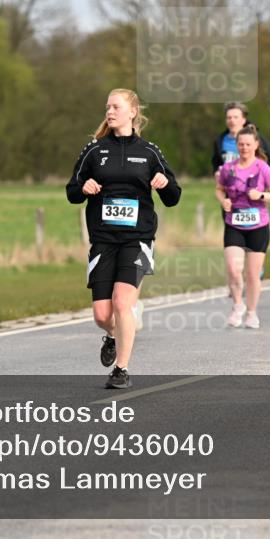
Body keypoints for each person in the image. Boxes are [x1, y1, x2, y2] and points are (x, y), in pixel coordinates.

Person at [66, 88, 182, 389]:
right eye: (107, 107)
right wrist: (85, 187)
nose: (110, 112)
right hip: (103, 239)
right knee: (102, 314)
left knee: (122, 302)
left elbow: (173, 197)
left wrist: (164, 183)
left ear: (132, 112)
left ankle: (121, 369)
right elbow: (71, 191)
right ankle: (114, 333)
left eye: (116, 107)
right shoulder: (94, 150)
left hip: (138, 238)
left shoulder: (149, 152)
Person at [216, 125, 270, 328]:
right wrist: (223, 201)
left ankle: (252, 312)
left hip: (258, 226)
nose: (244, 148)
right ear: (236, 146)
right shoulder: (228, 169)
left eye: (248, 144)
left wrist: (261, 195)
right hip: (234, 224)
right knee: (233, 269)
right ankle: (238, 305)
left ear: (256, 145)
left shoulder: (263, 168)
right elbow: (219, 189)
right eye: (241, 144)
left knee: (253, 274)